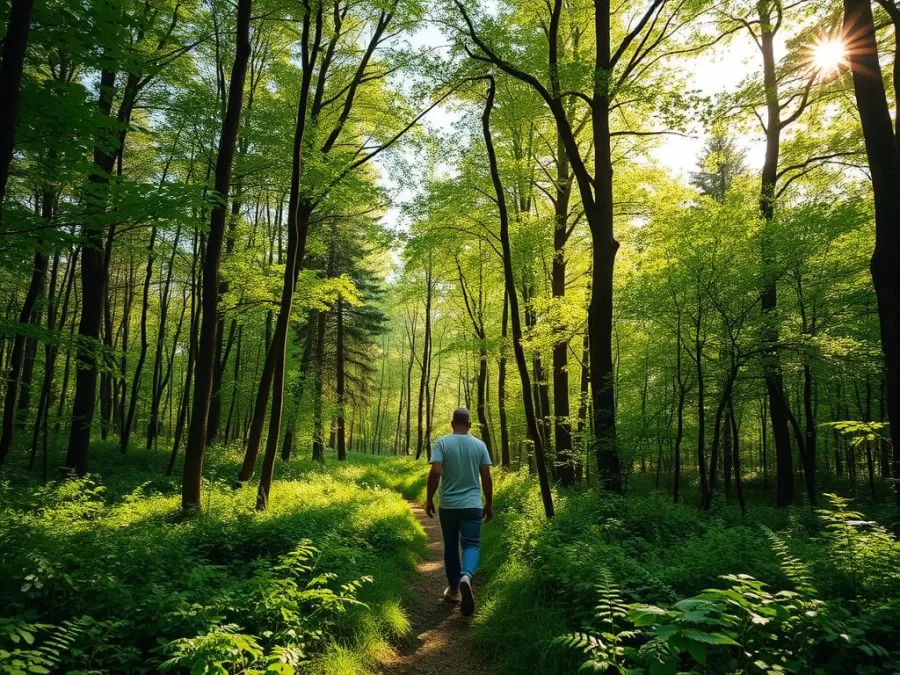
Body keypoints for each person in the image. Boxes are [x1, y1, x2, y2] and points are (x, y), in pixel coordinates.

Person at [425, 407, 493, 617]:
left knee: (451, 547)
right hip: (472, 504)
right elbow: (486, 477)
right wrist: (488, 503)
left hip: (449, 506)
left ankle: (454, 590)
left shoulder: (442, 443)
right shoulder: (480, 445)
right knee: (471, 544)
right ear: (470, 425)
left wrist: (429, 499)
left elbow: (436, 472)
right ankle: (466, 577)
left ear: (452, 423)